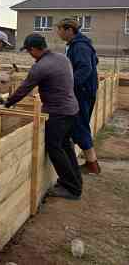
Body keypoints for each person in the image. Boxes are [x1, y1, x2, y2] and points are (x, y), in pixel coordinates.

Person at [5, 33, 82, 200]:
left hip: (58, 112)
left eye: (28, 51)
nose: (29, 54)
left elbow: (24, 89)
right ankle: (74, 183)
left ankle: (71, 188)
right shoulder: (61, 58)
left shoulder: (41, 66)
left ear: (34, 49)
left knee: (54, 147)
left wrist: (7, 104)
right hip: (72, 109)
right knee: (66, 147)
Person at [56, 18, 101, 174]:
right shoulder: (79, 45)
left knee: (80, 125)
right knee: (79, 124)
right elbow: (95, 61)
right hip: (84, 90)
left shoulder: (80, 46)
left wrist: (69, 85)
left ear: (69, 30)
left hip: (82, 92)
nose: (58, 32)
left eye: (60, 29)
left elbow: (85, 68)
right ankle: (90, 162)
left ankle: (92, 164)